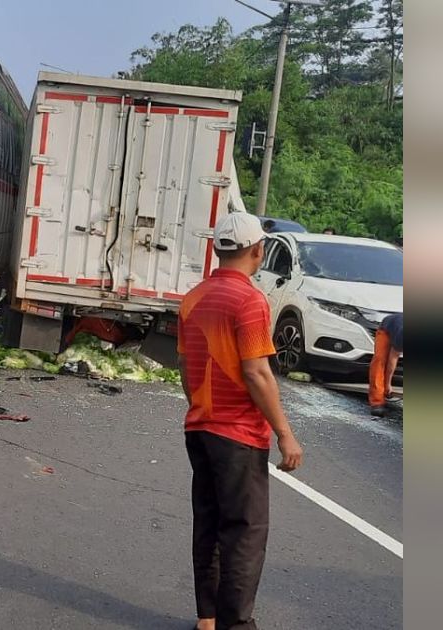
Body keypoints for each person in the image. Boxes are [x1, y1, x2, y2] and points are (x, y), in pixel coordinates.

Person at [177, 212, 304, 630]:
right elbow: (257, 372)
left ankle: (207, 619)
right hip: (238, 434)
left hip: (199, 427)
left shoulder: (193, 298)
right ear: (257, 251)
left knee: (209, 525)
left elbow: (184, 366)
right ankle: (236, 624)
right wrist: (285, 434)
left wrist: (199, 406)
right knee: (244, 533)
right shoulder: (249, 301)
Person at [368, 312, 403, 417]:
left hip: (397, 326)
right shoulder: (403, 333)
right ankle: (377, 402)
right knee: (380, 360)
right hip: (386, 329)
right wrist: (388, 384)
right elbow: (393, 359)